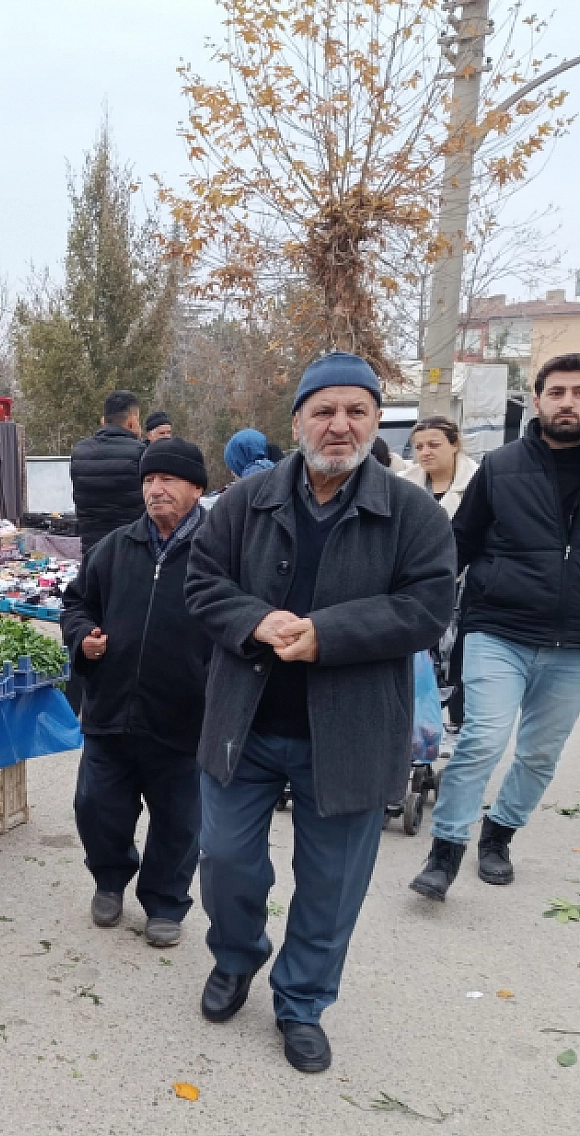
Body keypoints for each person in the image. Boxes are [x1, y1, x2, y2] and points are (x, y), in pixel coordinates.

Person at [186, 352, 455, 1073]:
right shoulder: (245, 502)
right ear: (298, 419)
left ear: (375, 421)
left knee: (332, 886)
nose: (340, 425)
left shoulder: (413, 513)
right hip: (245, 723)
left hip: (352, 734)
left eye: (356, 411)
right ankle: (236, 956)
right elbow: (202, 583)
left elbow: (428, 609)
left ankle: (301, 1002)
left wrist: (327, 635)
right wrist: (256, 620)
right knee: (227, 863)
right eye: (325, 410)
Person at [410, 353, 580, 901]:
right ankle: (444, 852)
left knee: (541, 752)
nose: (568, 402)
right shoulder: (500, 466)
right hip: (500, 629)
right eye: (557, 392)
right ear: (538, 399)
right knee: (481, 740)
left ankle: (499, 836)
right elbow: (460, 544)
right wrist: (417, 604)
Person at [61, 438, 211, 947]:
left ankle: (166, 902)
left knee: (179, 819)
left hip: (185, 717)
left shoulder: (220, 552)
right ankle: (109, 878)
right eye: (148, 480)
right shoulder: (116, 547)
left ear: (197, 487)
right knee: (96, 806)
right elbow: (76, 604)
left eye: (167, 479)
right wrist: (84, 639)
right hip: (111, 708)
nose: (156, 489)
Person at [403, 417, 480, 726]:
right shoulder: (403, 483)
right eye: (419, 446)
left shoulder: (478, 483)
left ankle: (457, 722)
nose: (425, 452)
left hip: (467, 586)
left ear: (454, 444)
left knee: (458, 660)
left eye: (434, 445)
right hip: (415, 584)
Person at [70, 390, 147, 554]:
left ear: (103, 421)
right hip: (132, 548)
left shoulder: (79, 452)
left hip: (92, 550)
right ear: (132, 422)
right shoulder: (141, 453)